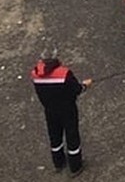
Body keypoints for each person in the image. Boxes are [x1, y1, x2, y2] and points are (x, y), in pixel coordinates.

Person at [31, 47, 92, 176]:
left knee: (54, 136)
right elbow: (77, 89)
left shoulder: (35, 74)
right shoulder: (64, 74)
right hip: (67, 109)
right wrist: (85, 85)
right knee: (72, 136)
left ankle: (58, 162)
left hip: (49, 110)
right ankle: (75, 166)